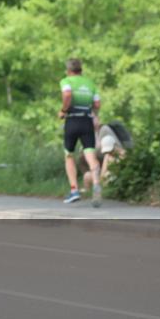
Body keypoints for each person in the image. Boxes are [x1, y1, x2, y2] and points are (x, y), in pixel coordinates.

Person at [58, 58, 103, 207]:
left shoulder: (66, 81)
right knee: (90, 155)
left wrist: (63, 110)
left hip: (72, 120)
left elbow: (67, 95)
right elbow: (97, 104)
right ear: (81, 70)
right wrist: (94, 114)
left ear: (68, 70)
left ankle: (74, 191)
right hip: (86, 121)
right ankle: (96, 184)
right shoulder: (90, 84)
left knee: (69, 154)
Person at [83, 121, 128, 193]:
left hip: (116, 178)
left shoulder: (123, 153)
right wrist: (99, 179)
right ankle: (87, 192)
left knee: (108, 175)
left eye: (110, 150)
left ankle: (109, 190)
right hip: (105, 177)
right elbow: (103, 171)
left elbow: (123, 170)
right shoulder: (107, 155)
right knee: (87, 175)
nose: (108, 152)